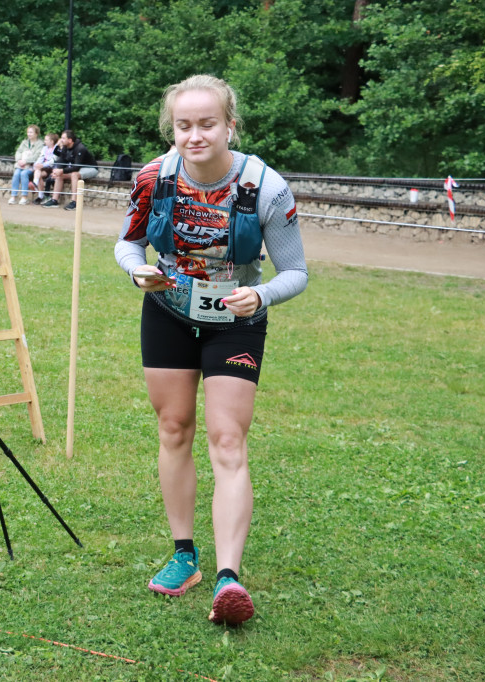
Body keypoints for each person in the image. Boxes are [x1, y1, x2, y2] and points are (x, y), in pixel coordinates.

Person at [114, 74, 308, 625]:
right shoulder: (156, 177)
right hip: (169, 312)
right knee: (173, 429)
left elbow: (296, 272)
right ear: (171, 128)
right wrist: (138, 273)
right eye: (183, 126)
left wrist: (262, 293)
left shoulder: (266, 187)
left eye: (206, 124)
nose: (194, 136)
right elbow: (127, 243)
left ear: (229, 126)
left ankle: (229, 577)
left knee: (228, 439)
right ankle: (184, 556)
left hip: (236, 321)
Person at [42, 129, 98, 210]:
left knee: (74, 174)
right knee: (59, 175)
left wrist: (62, 171)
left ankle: (74, 202)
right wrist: (57, 171)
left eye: (63, 138)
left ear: (70, 140)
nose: (61, 140)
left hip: (91, 168)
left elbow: (76, 167)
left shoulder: (80, 148)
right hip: (79, 168)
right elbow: (61, 161)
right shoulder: (65, 147)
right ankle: (54, 200)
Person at [9, 125, 43, 205]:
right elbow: (18, 152)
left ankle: (24, 196)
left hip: (32, 166)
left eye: (31, 132)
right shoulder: (24, 142)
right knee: (17, 173)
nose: (29, 134)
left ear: (36, 133)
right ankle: (14, 196)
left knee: (24, 174)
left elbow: (37, 156)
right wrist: (19, 160)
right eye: (28, 132)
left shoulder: (40, 144)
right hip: (21, 165)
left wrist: (26, 161)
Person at [31, 132, 58, 204]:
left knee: (38, 171)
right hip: (45, 168)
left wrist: (42, 165)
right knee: (38, 172)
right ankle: (38, 190)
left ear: (52, 141)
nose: (44, 141)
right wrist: (36, 165)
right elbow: (41, 158)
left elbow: (53, 161)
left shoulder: (56, 148)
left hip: (52, 168)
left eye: (46, 140)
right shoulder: (44, 148)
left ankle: (36, 187)